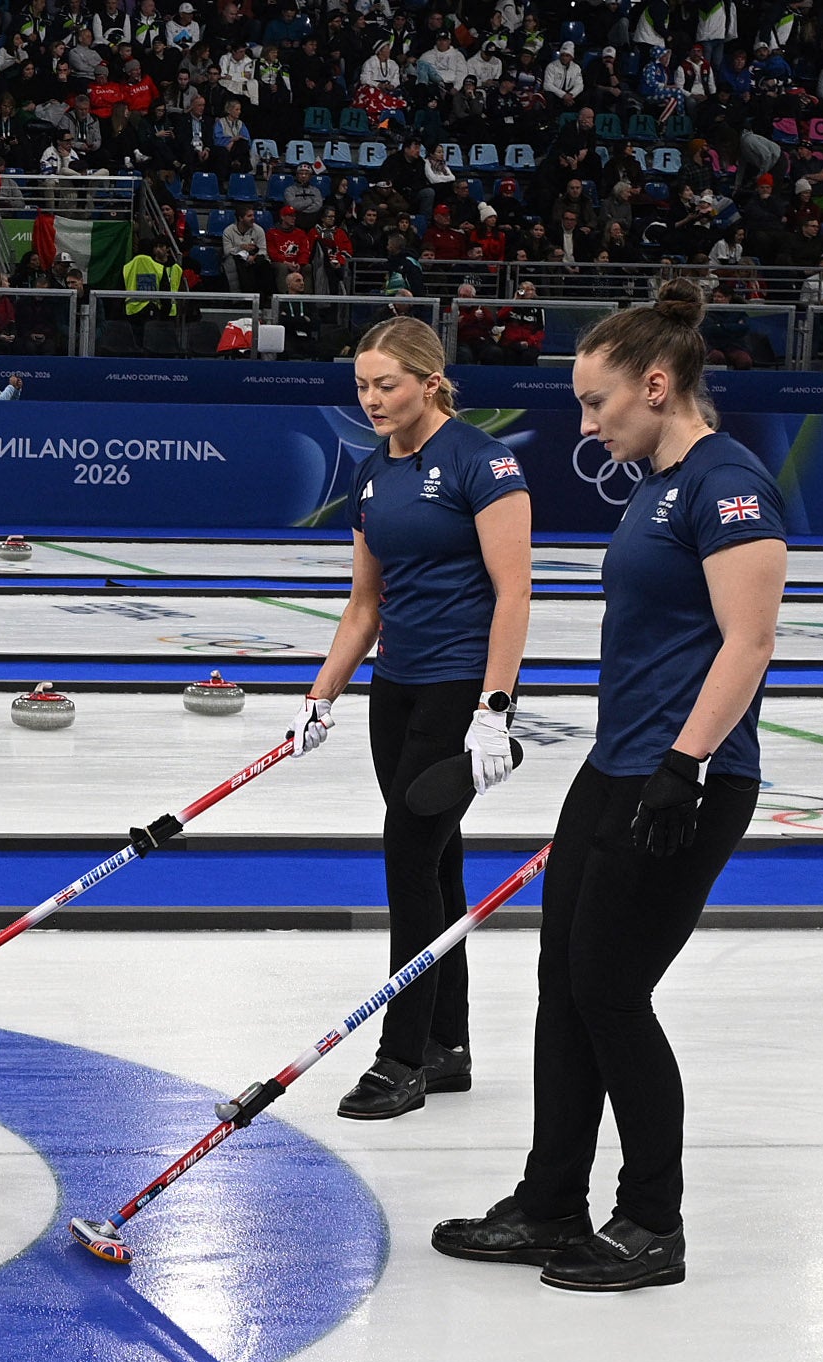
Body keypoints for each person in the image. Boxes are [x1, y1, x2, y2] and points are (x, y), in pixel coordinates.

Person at [433, 283, 785, 1292]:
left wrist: (683, 766)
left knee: (612, 993)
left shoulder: (729, 485)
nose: (587, 425)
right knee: (563, 985)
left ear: (656, 386)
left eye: (597, 403)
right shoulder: (656, 485)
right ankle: (551, 1203)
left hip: (685, 778)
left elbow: (749, 642)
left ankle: (651, 1222)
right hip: (615, 767)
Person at [287, 315, 533, 1121]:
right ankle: (448, 1045)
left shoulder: (482, 462)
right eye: (361, 386)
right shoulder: (370, 471)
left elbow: (514, 593)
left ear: (431, 382)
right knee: (438, 863)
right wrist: (321, 695)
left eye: (386, 385)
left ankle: (401, 1058)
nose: (371, 399)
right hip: (394, 691)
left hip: (460, 689)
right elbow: (365, 604)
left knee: (408, 855)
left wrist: (495, 708)